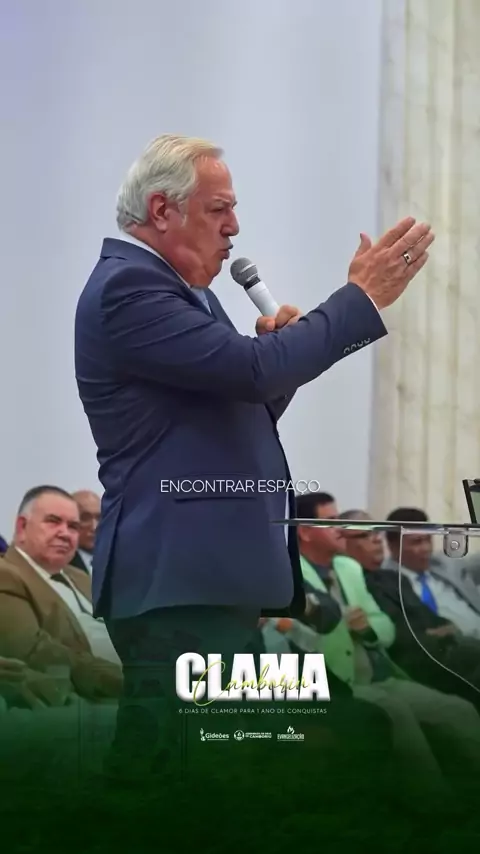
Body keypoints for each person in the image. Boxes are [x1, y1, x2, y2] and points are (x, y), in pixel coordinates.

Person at [74, 133, 434, 782]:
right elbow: (250, 371)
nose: (234, 227)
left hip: (213, 589)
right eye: (219, 209)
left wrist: (279, 362)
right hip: (178, 590)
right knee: (176, 787)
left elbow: (241, 407)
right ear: (162, 210)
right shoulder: (130, 287)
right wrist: (358, 300)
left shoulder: (189, 294)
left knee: (233, 785)